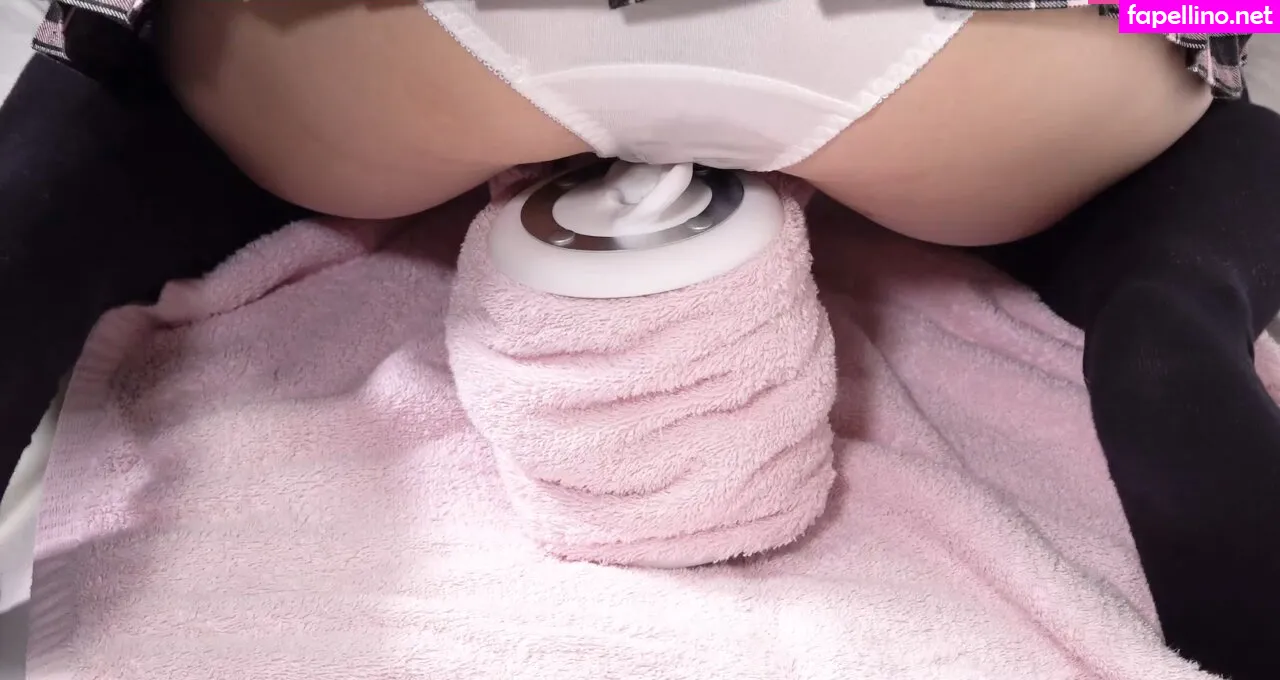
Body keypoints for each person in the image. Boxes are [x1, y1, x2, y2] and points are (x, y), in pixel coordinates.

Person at [2, 1, 1275, 676]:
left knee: (116, 131)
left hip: (409, 39)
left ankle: (39, 234)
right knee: (1183, 185)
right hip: (957, 50)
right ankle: (1172, 324)